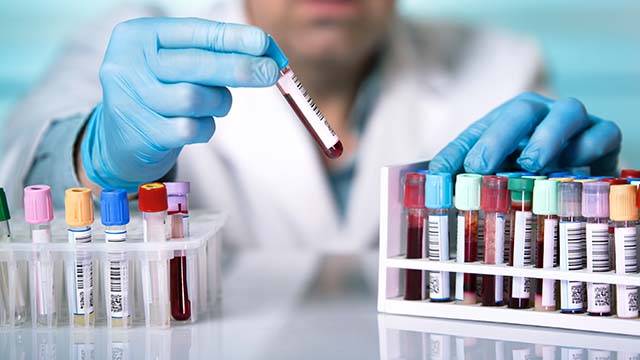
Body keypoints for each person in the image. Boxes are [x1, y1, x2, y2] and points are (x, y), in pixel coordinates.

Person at [0, 0, 621, 249]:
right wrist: (94, 155)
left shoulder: (503, 63)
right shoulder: (136, 39)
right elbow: (15, 173)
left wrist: (578, 207)